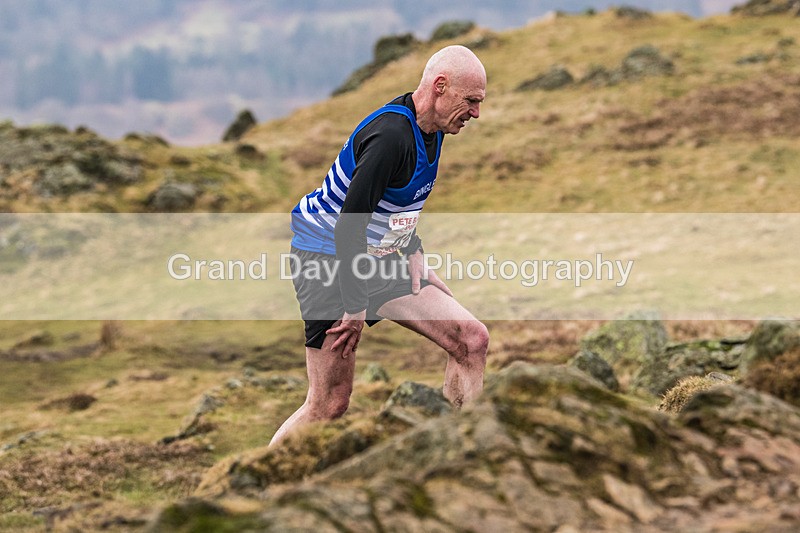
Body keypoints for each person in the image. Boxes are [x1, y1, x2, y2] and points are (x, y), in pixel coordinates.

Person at [271, 45, 488, 446]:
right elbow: (350, 227)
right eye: (471, 101)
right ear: (440, 87)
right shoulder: (390, 137)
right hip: (326, 260)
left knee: (471, 340)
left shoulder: (433, 131)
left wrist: (414, 250)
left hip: (377, 256)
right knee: (328, 403)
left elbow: (397, 202)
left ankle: (465, 454)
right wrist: (355, 307)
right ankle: (255, 488)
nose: (476, 113)